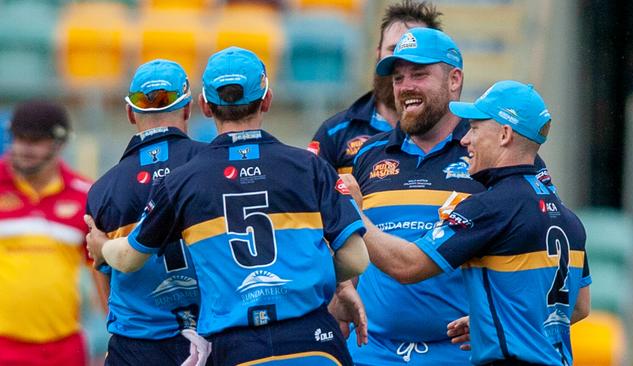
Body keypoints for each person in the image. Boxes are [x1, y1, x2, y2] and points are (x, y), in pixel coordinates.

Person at [85, 46, 369, 366]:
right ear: (267, 100)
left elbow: (129, 258)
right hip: (314, 338)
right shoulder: (310, 166)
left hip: (235, 347)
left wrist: (101, 246)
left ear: (205, 106)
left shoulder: (182, 180)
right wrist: (307, 278)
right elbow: (357, 259)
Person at [348, 26, 557, 365]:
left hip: (457, 355)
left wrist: (503, 323)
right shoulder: (368, 154)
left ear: (454, 79)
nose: (405, 87)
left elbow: (553, 262)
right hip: (372, 352)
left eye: (419, 74)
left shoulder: (496, 157)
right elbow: (350, 252)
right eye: (398, 78)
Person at [85, 59, 212, 366]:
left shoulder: (103, 189)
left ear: (130, 113)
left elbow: (105, 277)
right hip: (214, 338)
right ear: (188, 109)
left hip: (138, 347)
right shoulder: (212, 165)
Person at [0, 100, 94, 365]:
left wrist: (116, 334)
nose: (24, 149)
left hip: (64, 348)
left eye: (35, 140)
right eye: (19, 138)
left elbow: (101, 273)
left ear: (60, 143)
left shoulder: (85, 195)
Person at [309, 0, 442, 174]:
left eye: (415, 53)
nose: (403, 62)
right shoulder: (335, 133)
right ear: (378, 53)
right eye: (394, 49)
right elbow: (310, 196)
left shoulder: (461, 136)